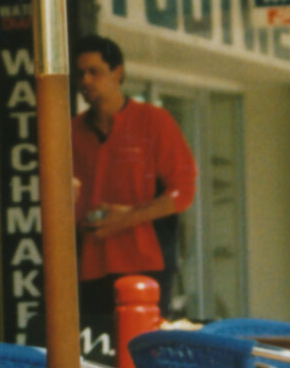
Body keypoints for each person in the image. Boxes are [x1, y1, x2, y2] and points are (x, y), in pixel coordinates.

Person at [69, 36, 197, 347]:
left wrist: (126, 218)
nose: (85, 80)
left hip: (145, 261)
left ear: (118, 73)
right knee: (98, 351)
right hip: (90, 262)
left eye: (94, 71)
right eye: (80, 73)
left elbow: (183, 191)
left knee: (144, 349)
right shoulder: (71, 130)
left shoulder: (154, 121)